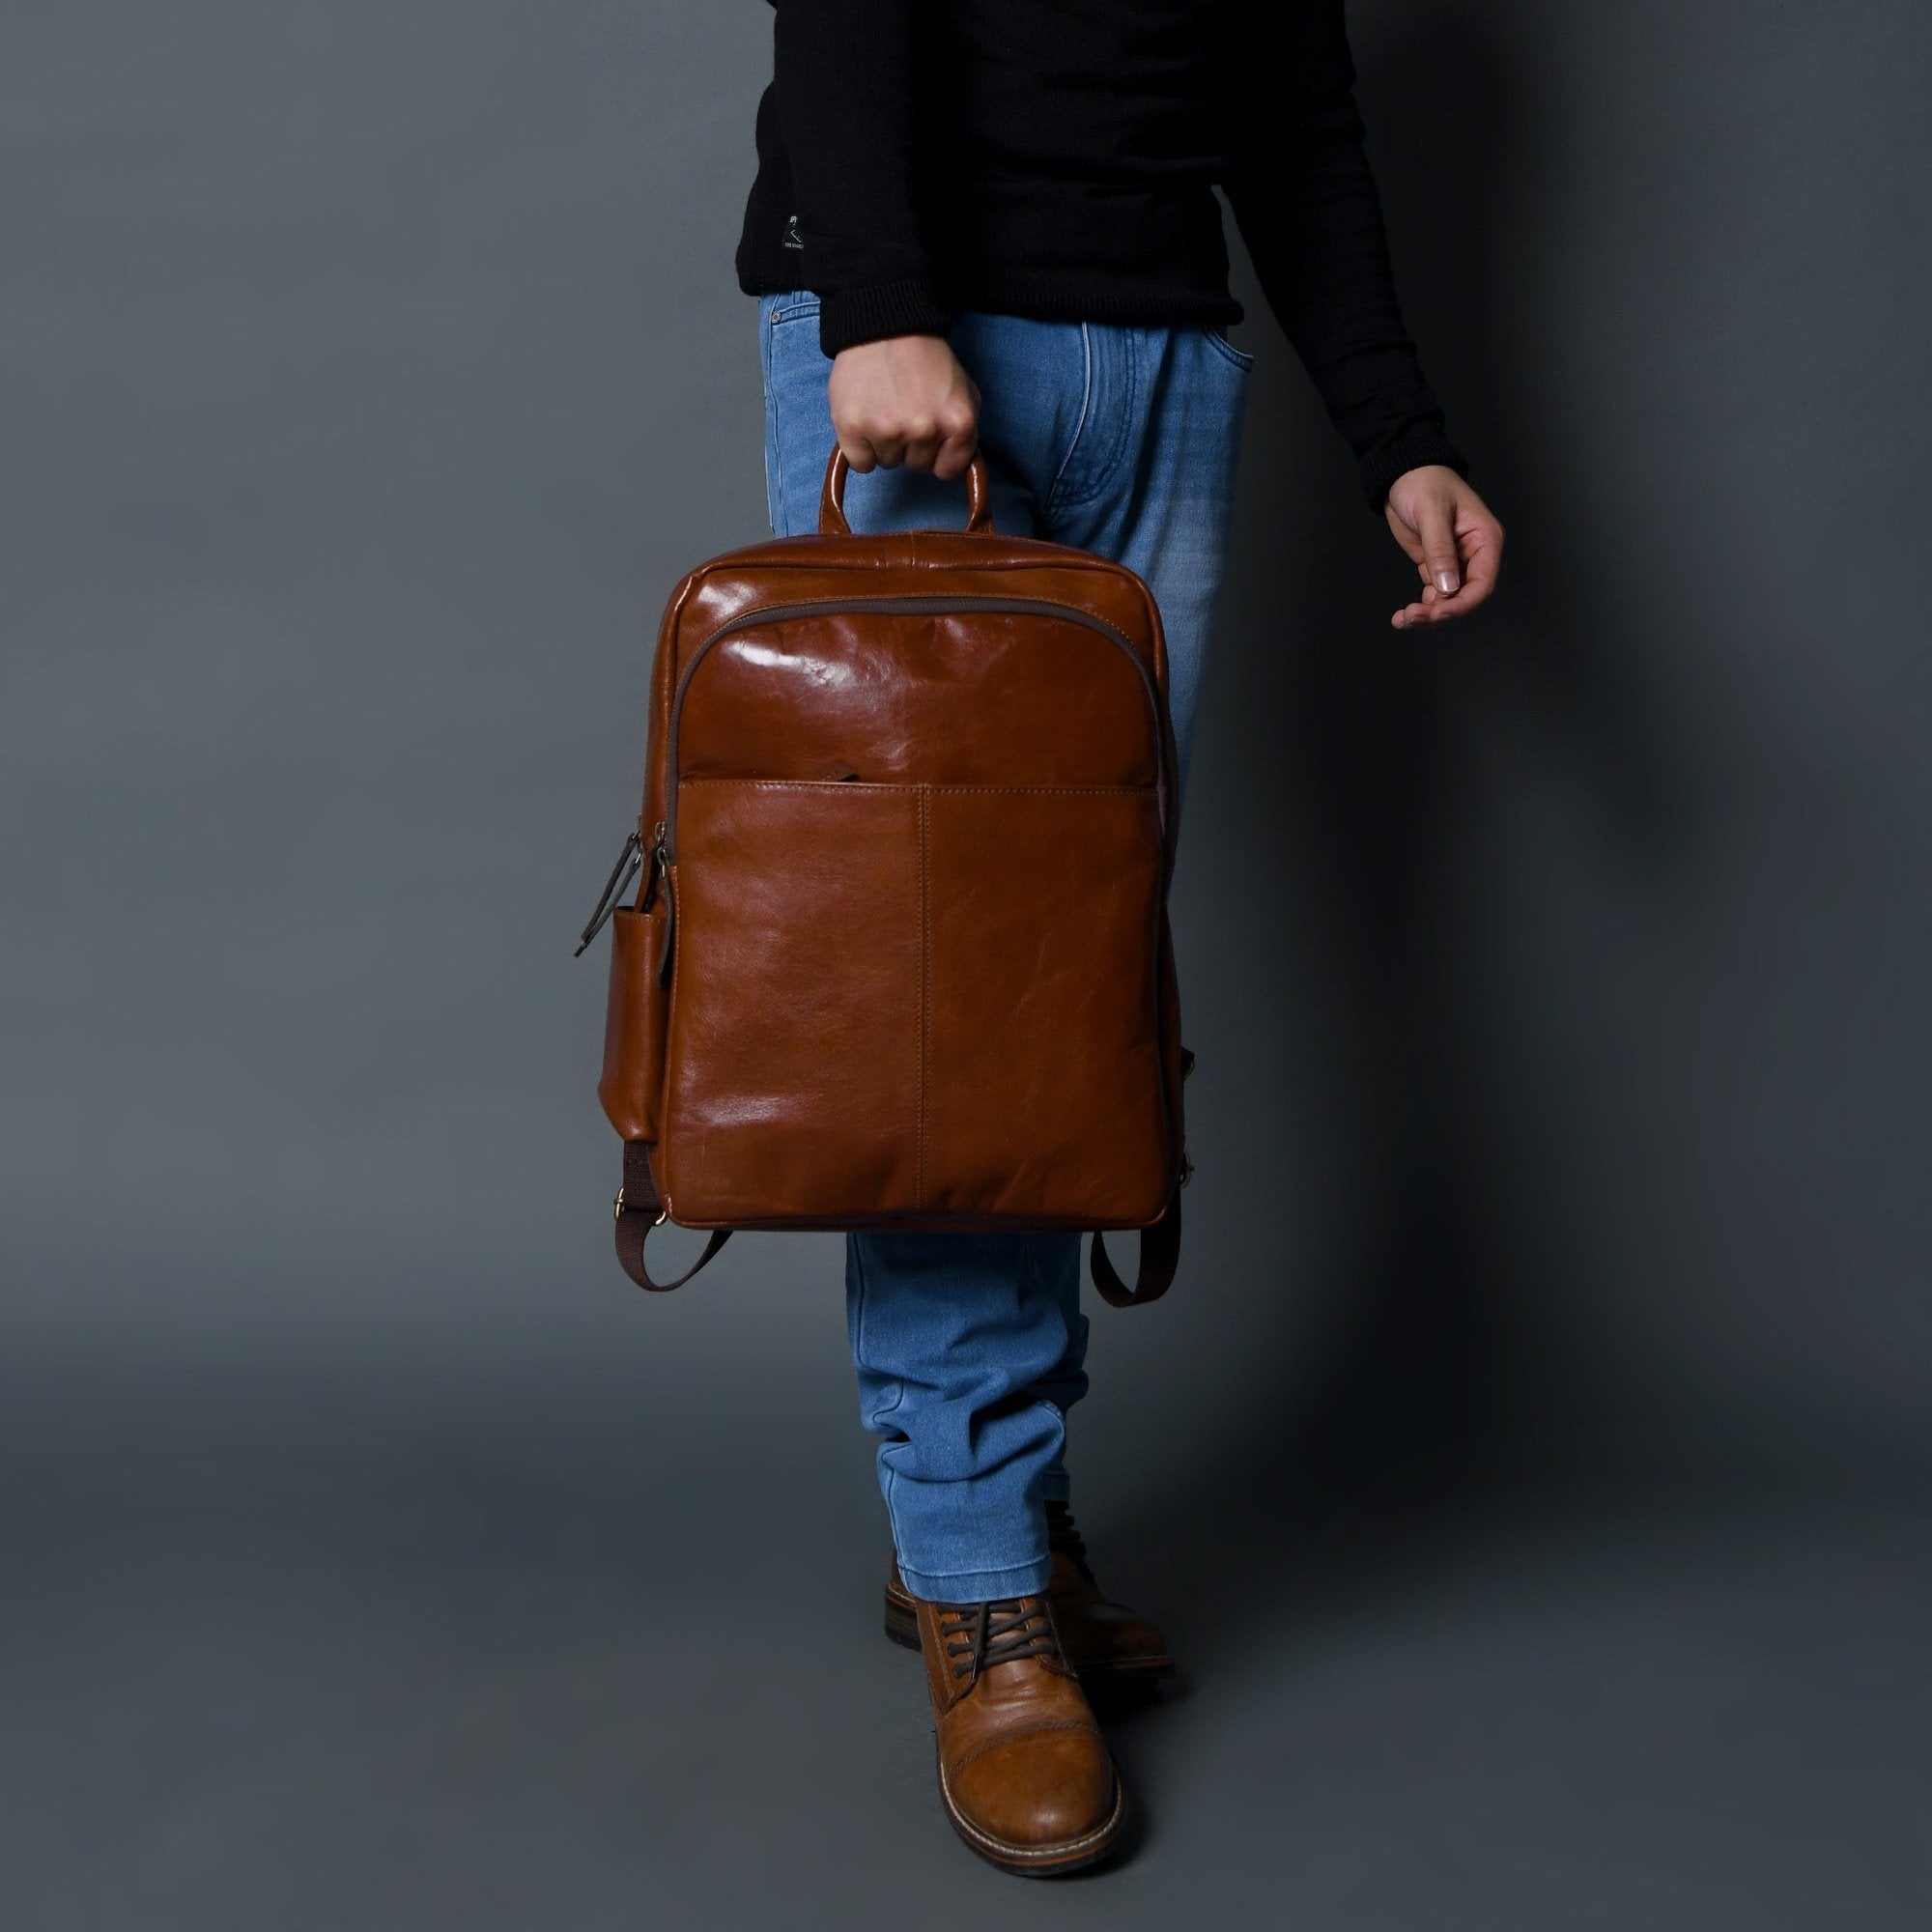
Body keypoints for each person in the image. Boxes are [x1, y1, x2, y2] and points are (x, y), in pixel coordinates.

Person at [733, 0, 1505, 1877]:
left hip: (1165, 361)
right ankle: (978, 1577)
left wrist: (1398, 435)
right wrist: (877, 300)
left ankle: (990, 1510)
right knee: (945, 1001)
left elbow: (1298, 118)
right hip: (929, 338)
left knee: (1059, 989)